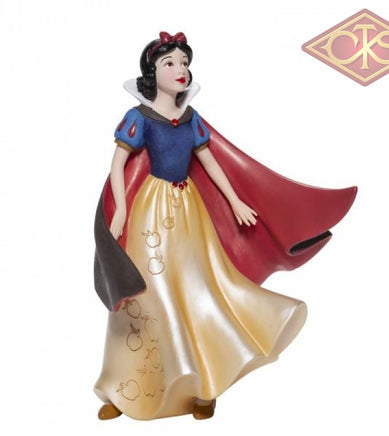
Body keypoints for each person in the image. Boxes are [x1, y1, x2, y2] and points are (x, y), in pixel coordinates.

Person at [93, 31, 357, 421]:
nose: (180, 69)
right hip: (152, 211)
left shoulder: (191, 119)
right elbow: (118, 165)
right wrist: (118, 212)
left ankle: (204, 384)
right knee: (145, 297)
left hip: (187, 212)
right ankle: (124, 389)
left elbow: (210, 162)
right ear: (152, 72)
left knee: (197, 290)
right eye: (170, 63)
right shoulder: (139, 118)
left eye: (184, 63)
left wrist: (235, 201)